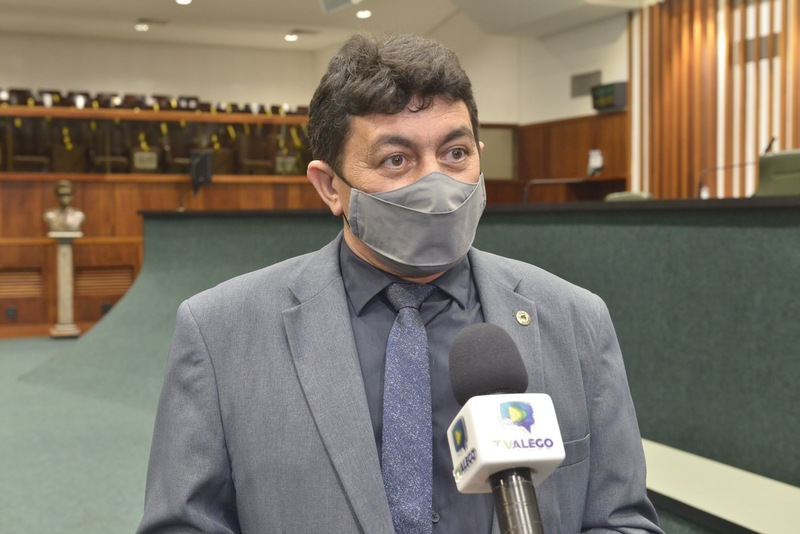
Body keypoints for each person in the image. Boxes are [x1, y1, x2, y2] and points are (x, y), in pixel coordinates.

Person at [138, 33, 662, 533]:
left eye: (456, 154)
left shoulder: (575, 319)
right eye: (396, 160)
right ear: (330, 187)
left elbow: (623, 520)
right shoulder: (220, 332)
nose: (436, 184)